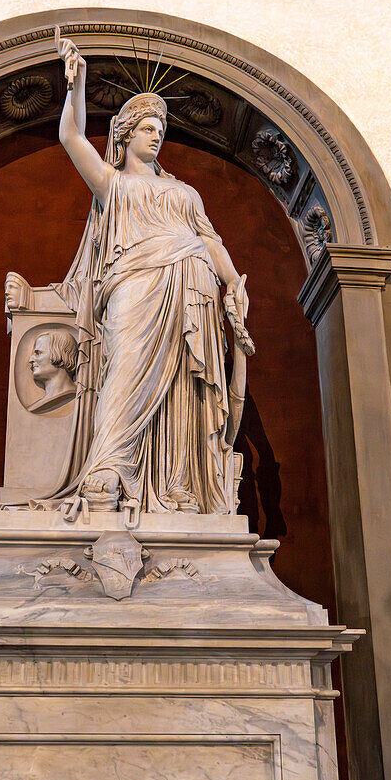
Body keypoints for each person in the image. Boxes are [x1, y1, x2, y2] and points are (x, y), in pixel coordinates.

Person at [45, 32, 254, 516]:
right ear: (124, 134)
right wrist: (76, 86)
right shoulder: (112, 184)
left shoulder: (185, 193)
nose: (156, 134)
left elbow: (210, 240)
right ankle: (109, 468)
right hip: (136, 285)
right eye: (146, 127)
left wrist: (233, 282)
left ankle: (178, 482)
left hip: (191, 286)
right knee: (126, 368)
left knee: (184, 385)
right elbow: (71, 138)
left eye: (160, 127)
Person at [27, 330, 78, 412]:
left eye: (38, 353)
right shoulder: (34, 406)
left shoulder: (76, 396)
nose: (31, 360)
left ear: (61, 357)